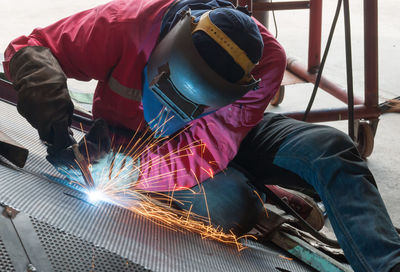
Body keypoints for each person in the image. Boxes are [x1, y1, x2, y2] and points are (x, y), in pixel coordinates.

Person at [3, 0, 400, 271]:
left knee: (331, 149)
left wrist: (136, 176)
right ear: (167, 47)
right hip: (132, 137)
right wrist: (48, 105)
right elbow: (32, 47)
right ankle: (260, 196)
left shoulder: (266, 59)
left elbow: (208, 147)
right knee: (232, 209)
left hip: (226, 134)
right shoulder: (127, 24)